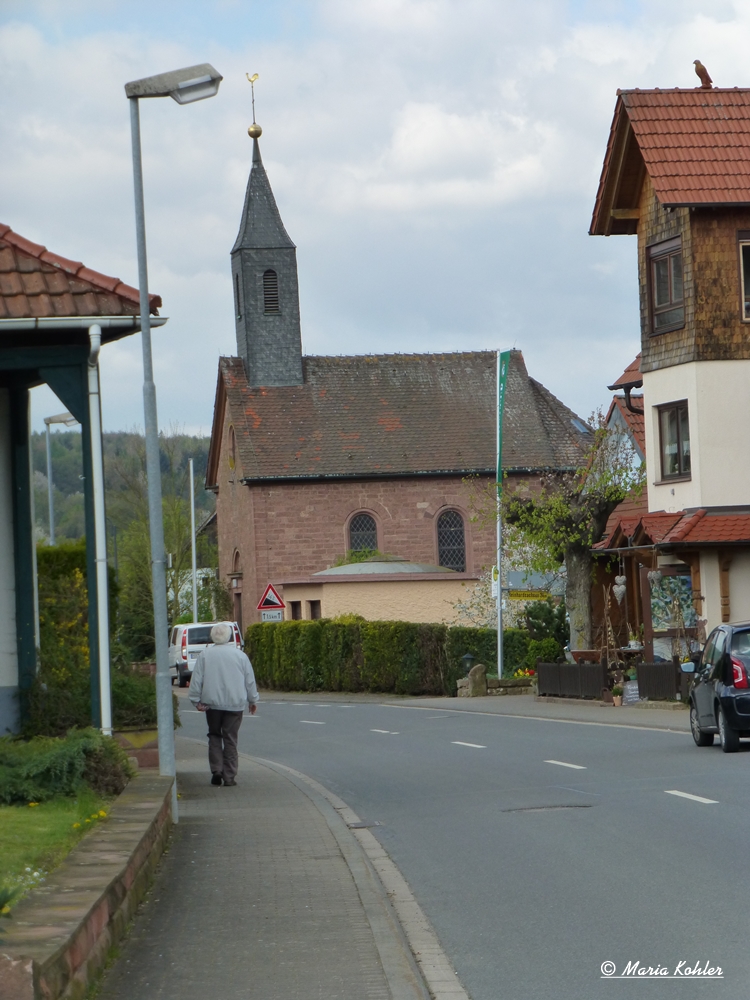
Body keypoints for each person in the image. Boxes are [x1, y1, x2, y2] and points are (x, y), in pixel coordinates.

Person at [188, 622, 259, 786]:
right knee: (230, 739)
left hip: (211, 705)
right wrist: (253, 700)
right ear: (229, 637)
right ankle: (229, 776)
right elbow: (249, 680)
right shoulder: (240, 656)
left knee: (214, 735)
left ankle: (216, 769)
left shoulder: (205, 655)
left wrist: (195, 701)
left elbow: (196, 680)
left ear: (213, 636)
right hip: (235, 704)